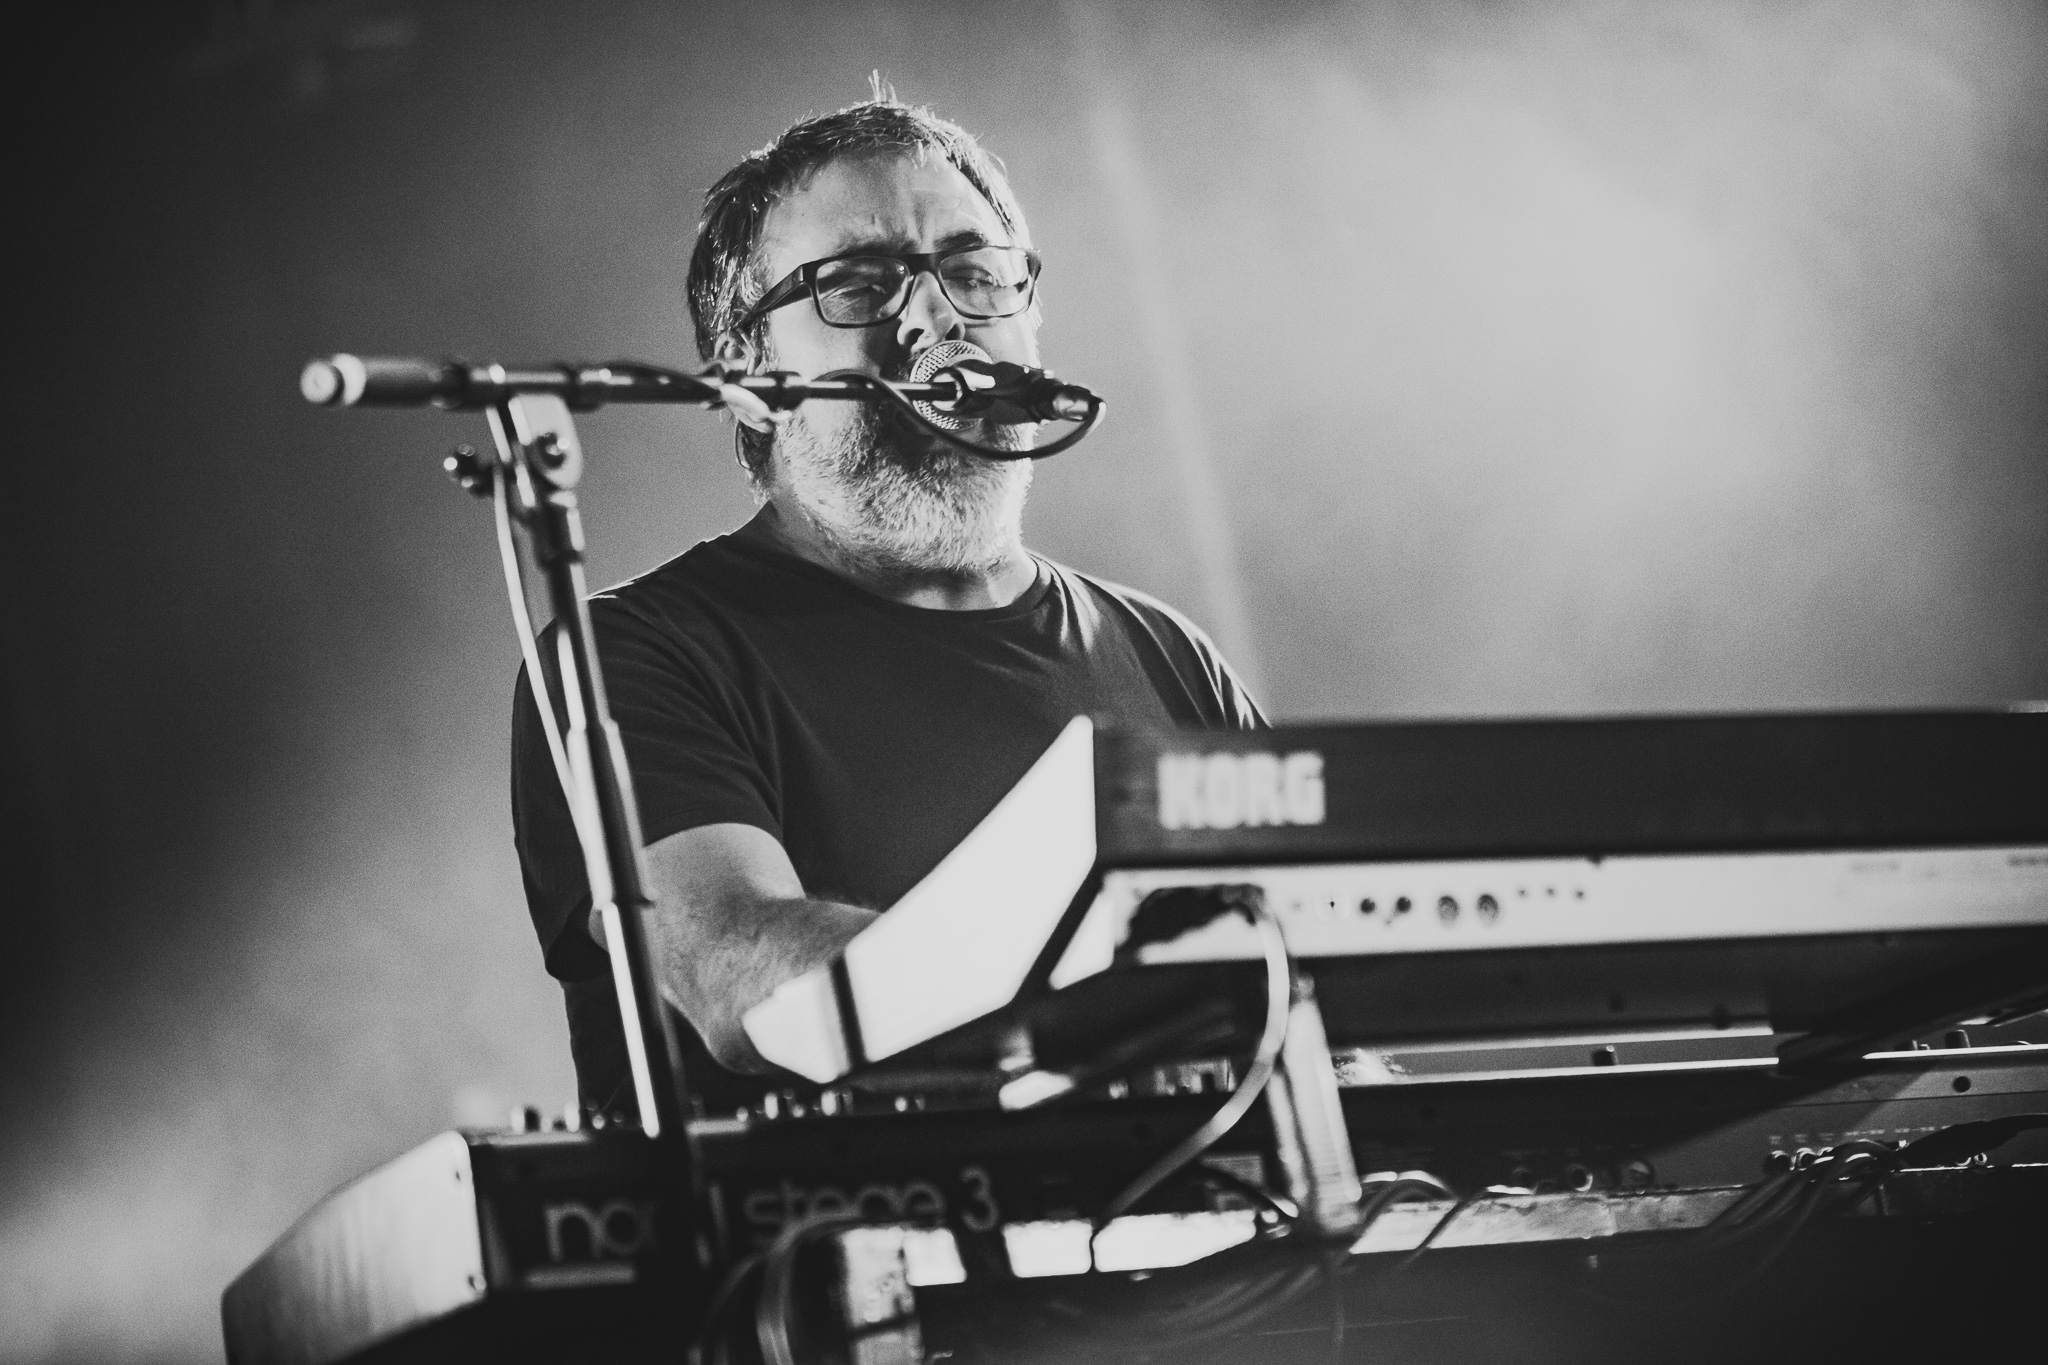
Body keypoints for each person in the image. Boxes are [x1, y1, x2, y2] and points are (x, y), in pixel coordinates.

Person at [512, 96, 1262, 1119]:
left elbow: (1302, 980)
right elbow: (743, 977)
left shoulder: (1167, 653)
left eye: (974, 271)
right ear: (746, 374)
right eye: (860, 285)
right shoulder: (630, 655)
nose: (936, 322)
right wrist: (1115, 1007)